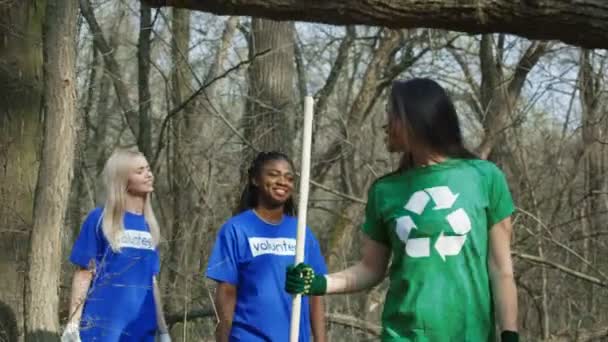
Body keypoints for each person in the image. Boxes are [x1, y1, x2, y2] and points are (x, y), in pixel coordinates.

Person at [286, 78, 519, 342]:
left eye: (391, 114)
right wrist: (320, 283)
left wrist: (509, 331)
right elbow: (370, 269)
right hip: (403, 335)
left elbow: (501, 269)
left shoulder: (485, 177)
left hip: (468, 334)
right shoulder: (384, 191)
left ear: (415, 118)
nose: (385, 125)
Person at [205, 151, 327, 342]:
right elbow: (226, 293)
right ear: (255, 179)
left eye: (289, 178)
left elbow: (316, 294)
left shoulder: (302, 232)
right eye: (273, 174)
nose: (282, 182)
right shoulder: (236, 229)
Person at [62, 148, 171, 342]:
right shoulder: (100, 219)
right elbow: (84, 273)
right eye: (139, 171)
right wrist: (73, 323)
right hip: (102, 329)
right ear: (123, 180)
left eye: (148, 169)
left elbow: (151, 282)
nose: (149, 175)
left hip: (142, 330)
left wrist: (163, 331)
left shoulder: (149, 226)